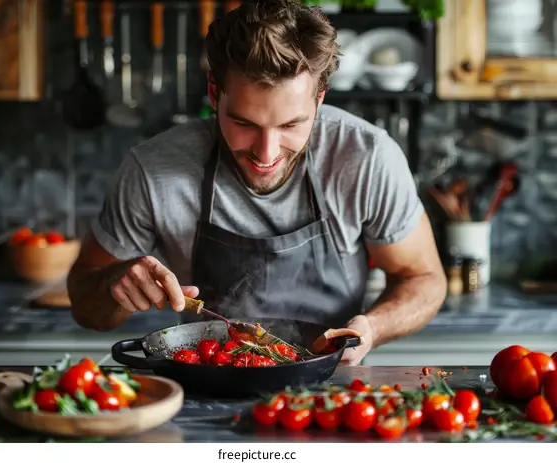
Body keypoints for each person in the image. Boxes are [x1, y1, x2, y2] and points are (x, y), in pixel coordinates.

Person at [67, 0, 447, 365]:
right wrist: (116, 287)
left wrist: (371, 327)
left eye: (291, 125)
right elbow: (87, 306)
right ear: (215, 94)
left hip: (333, 393)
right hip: (205, 386)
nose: (266, 153)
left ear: (319, 100)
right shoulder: (152, 170)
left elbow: (424, 279)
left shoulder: (366, 158)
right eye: (245, 123)